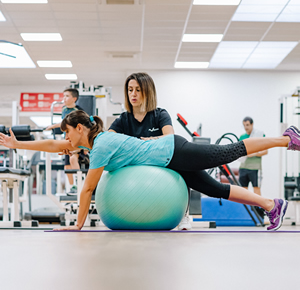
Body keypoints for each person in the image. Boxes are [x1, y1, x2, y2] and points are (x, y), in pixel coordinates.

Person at [1, 110, 297, 232]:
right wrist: (20, 143)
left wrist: (77, 226)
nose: (67, 140)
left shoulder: (101, 146)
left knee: (227, 152)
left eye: (68, 134)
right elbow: (55, 145)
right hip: (169, 162)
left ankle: (288, 139)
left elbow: (89, 189)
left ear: (80, 129)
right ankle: (272, 205)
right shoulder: (95, 143)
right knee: (216, 189)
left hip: (173, 151)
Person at [108, 73, 191, 230]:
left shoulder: (160, 114)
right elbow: (108, 138)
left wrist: (147, 141)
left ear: (148, 92)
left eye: (138, 90)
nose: (133, 94)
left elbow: (169, 137)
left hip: (161, 164)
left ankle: (184, 216)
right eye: (130, 89)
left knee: (184, 169)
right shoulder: (124, 119)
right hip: (133, 168)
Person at [46, 88, 85, 195]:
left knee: (73, 159)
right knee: (67, 166)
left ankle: (78, 185)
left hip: (78, 141)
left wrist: (52, 126)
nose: (64, 98)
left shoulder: (78, 112)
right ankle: (72, 187)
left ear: (74, 99)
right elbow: (64, 123)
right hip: (67, 140)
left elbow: (70, 124)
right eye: (63, 96)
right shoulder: (64, 109)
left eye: (67, 96)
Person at [239, 117, 268, 196]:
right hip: (243, 167)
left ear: (252, 124)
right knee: (243, 191)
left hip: (255, 168)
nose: (246, 127)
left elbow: (265, 151)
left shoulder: (259, 135)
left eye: (247, 125)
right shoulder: (242, 137)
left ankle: (257, 208)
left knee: (256, 189)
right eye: (244, 125)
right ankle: (245, 208)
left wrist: (253, 153)